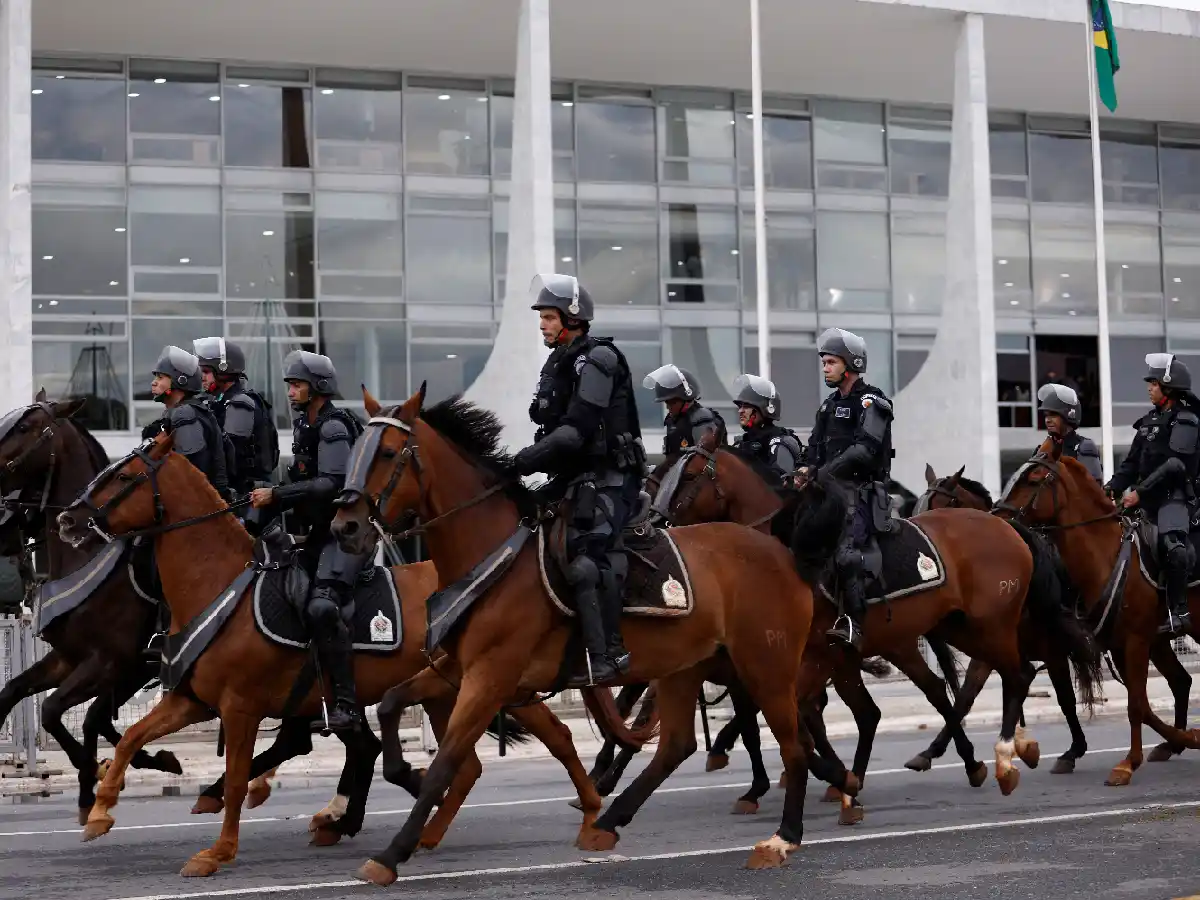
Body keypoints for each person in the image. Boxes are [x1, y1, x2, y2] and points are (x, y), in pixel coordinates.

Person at [513, 274, 647, 685]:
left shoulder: (599, 359)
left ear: (572, 319)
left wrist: (521, 461)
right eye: (542, 318)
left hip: (611, 477)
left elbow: (577, 430)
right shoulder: (558, 362)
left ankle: (608, 655)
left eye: (549, 317)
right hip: (574, 477)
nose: (542, 325)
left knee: (587, 563)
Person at [248, 350, 366, 733]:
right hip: (316, 535)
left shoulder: (333, 426)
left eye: (296, 384)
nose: (291, 391)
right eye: (289, 385)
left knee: (320, 609)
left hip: (345, 537)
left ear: (318, 388)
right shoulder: (304, 425)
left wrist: (278, 495)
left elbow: (331, 483)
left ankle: (348, 706)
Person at [797, 328, 894, 651]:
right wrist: (804, 469)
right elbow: (814, 449)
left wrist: (824, 472)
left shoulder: (873, 401)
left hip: (861, 492)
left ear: (850, 364)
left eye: (830, 362)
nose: (825, 368)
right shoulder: (827, 407)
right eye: (824, 362)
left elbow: (866, 450)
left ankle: (854, 624)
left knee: (846, 551)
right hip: (828, 492)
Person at [1104, 353, 1200, 636]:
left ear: (1169, 388)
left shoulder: (1186, 420)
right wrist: (1110, 488)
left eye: (1154, 383)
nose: (1149, 387)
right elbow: (1131, 465)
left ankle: (1178, 612)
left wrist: (1139, 494)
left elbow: (1175, 466)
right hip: (1144, 502)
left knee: (1174, 547)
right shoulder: (1147, 422)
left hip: (1175, 498)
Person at [193, 337, 279, 497]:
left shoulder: (240, 403)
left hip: (247, 495)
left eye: (206, 372)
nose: (202, 377)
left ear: (224, 370)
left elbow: (230, 455)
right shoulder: (219, 400)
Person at [141, 345, 229, 499]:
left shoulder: (185, 414)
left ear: (180, 380)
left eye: (160, 377)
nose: (153, 383)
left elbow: (191, 470)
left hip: (199, 506)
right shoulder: (176, 412)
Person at [729, 373, 803, 483]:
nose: (740, 411)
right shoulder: (742, 442)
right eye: (740, 406)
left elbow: (780, 485)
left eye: (746, 406)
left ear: (765, 408)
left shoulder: (780, 442)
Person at [642, 365, 726, 456]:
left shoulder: (701, 420)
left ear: (687, 397)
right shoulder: (672, 421)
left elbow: (709, 461)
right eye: (666, 403)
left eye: (672, 402)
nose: (668, 407)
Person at [1036, 383, 1102, 482]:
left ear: (1069, 415)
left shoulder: (1084, 446)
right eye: (1046, 415)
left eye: (1053, 415)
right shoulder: (1041, 450)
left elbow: (1093, 488)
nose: (1047, 420)